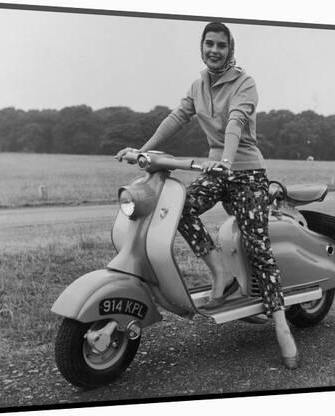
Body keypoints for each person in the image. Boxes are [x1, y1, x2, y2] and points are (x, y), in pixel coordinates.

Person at [115, 22, 299, 369]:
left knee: (258, 246)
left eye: (221, 45)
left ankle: (280, 322)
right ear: (202, 47)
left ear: (231, 50)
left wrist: (227, 160)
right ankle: (220, 272)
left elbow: (236, 122)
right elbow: (176, 118)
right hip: (215, 169)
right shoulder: (198, 85)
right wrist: (142, 149)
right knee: (177, 209)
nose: (214, 50)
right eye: (209, 44)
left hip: (245, 172)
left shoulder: (245, 83)